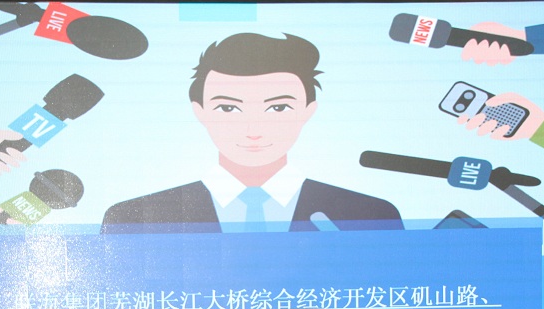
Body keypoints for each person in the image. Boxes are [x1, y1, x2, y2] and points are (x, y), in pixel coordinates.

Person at [101, 32, 402, 233]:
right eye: (228, 108)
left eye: (278, 108)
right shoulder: (132, 220)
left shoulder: (370, 215)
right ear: (199, 111)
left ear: (308, 111)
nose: (253, 129)